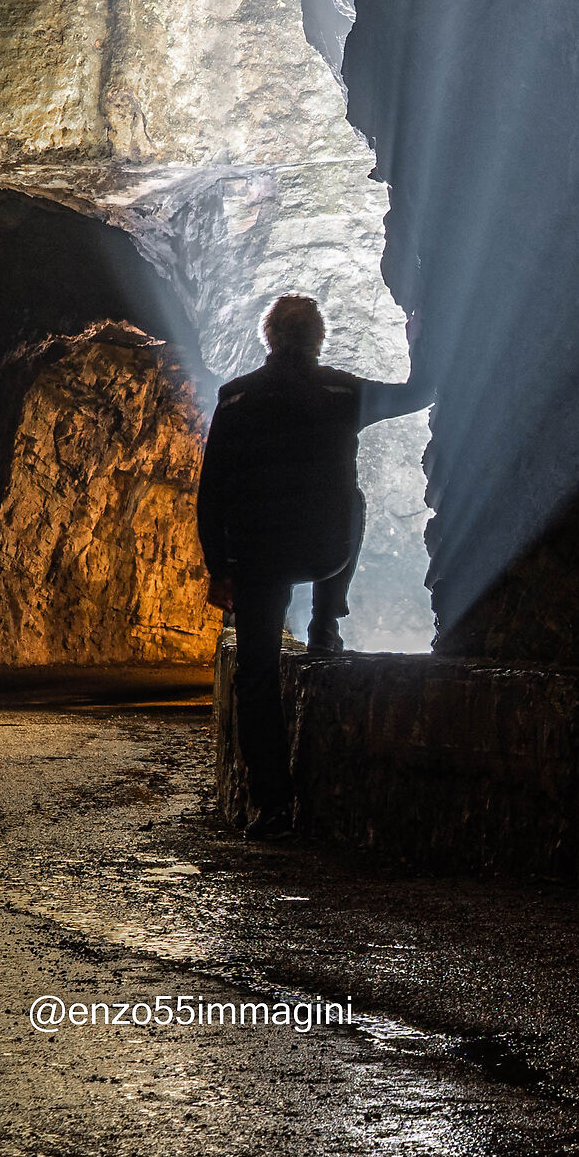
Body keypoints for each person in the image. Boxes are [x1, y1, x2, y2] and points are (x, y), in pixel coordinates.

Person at [195, 293, 432, 839]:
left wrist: (219, 567)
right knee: (355, 499)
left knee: (256, 674)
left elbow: (212, 494)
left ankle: (272, 806)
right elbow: (417, 394)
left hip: (256, 560)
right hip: (326, 554)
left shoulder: (236, 399)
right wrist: (428, 332)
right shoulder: (341, 392)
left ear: (268, 338)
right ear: (319, 339)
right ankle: (327, 623)